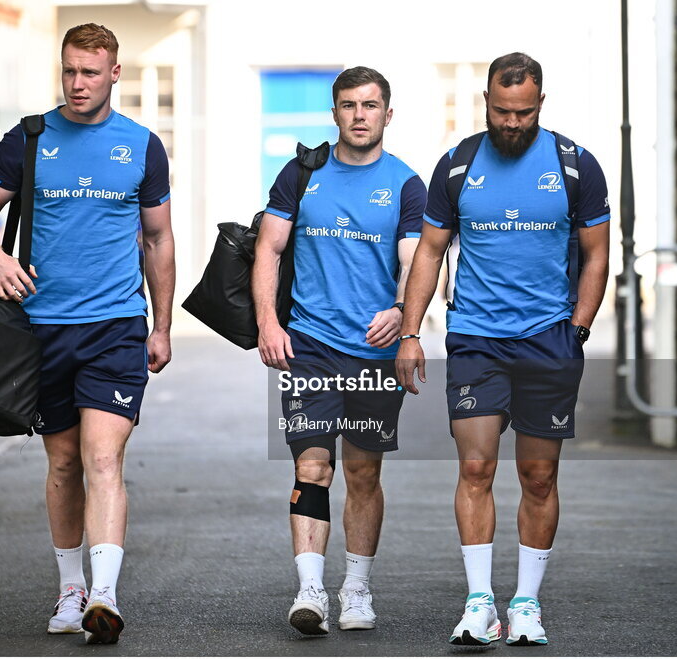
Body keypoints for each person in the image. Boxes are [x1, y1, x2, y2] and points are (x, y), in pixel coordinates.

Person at [0, 23, 174, 645]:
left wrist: (161, 326)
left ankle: (104, 596)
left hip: (114, 326)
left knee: (103, 457)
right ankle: (69, 589)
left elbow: (159, 239)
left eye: (91, 72)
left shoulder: (140, 145)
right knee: (62, 462)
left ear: (115, 74)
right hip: (41, 329)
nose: (78, 83)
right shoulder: (30, 138)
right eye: (69, 71)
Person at [395, 52, 610, 646]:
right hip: (477, 340)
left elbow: (596, 255)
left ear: (541, 104)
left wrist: (579, 328)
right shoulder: (459, 164)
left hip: (549, 341)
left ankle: (526, 604)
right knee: (475, 466)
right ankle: (480, 602)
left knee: (539, 476)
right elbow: (430, 252)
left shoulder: (574, 166)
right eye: (500, 111)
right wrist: (412, 333)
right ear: (485, 102)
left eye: (523, 112)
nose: (511, 122)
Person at [253, 66, 426, 636]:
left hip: (372, 353)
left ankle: (356, 588)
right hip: (309, 344)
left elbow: (415, 262)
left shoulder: (405, 184)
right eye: (349, 105)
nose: (359, 115)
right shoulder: (303, 174)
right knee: (312, 464)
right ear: (335, 113)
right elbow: (269, 250)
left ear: (387, 114)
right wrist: (268, 323)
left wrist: (403, 314)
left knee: (362, 470)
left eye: (370, 106)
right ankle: (309, 591)